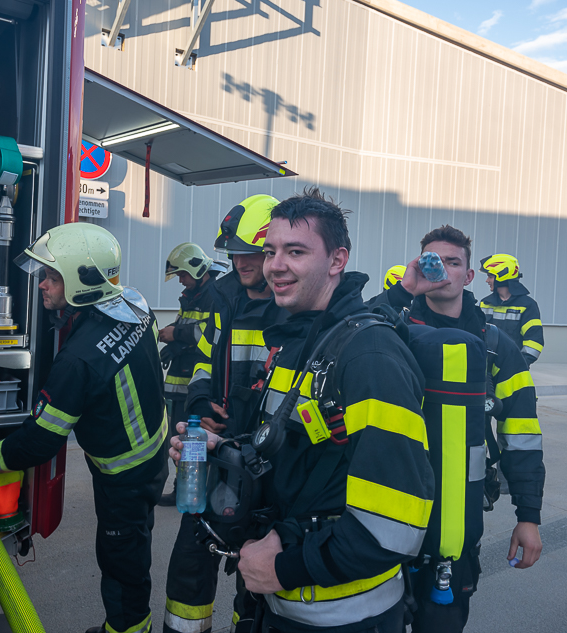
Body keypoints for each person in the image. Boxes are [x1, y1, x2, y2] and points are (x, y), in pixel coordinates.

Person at [172, 188, 435, 633]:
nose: (275, 265)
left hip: (343, 618)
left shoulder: (370, 356)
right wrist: (224, 452)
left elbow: (394, 524)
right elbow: (297, 458)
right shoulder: (299, 340)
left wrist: (285, 568)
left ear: (337, 260)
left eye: (295, 251)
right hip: (286, 608)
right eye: (270, 251)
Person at [0, 222, 167, 633]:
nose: (42, 285)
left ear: (83, 280)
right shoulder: (134, 303)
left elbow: (38, 443)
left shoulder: (78, 360)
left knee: (121, 561)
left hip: (124, 475)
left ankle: (128, 629)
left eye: (53, 277)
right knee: (132, 547)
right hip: (151, 452)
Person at [374, 225, 544, 631]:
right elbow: (346, 327)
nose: (442, 270)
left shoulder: (495, 346)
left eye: (453, 263)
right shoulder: (389, 331)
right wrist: (404, 289)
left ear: (468, 276)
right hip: (385, 504)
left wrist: (529, 516)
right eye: (432, 261)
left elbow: (521, 433)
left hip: (458, 513)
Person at [164, 194, 287, 633]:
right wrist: (200, 401)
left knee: (253, 582)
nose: (240, 262)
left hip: (264, 465)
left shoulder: (291, 305)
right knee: (188, 566)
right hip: (214, 455)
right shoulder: (223, 297)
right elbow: (204, 358)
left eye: (250, 252)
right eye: (233, 253)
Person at [158, 242, 218, 507]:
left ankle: (192, 490)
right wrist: (171, 337)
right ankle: (182, 487)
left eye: (182, 274)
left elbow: (207, 332)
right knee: (179, 439)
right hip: (181, 383)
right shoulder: (191, 295)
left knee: (192, 440)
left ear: (197, 270)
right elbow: (185, 326)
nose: (180, 280)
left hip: (195, 384)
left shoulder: (214, 295)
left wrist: (177, 336)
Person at [478, 254, 545, 366]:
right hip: (486, 368)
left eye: (490, 276)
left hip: (513, 368)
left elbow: (534, 341)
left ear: (502, 276)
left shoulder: (527, 305)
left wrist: (520, 364)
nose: (487, 280)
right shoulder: (485, 303)